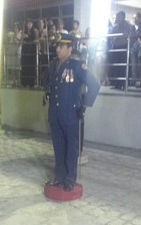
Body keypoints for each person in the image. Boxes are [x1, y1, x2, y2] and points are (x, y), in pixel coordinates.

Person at [44, 33, 100, 191]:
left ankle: (70, 179)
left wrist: (84, 104)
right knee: (59, 147)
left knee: (71, 148)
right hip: (55, 114)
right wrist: (46, 92)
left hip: (70, 113)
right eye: (57, 46)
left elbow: (94, 84)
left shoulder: (77, 65)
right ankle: (60, 176)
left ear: (70, 48)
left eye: (61, 47)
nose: (57, 49)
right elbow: (49, 83)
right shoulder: (54, 65)